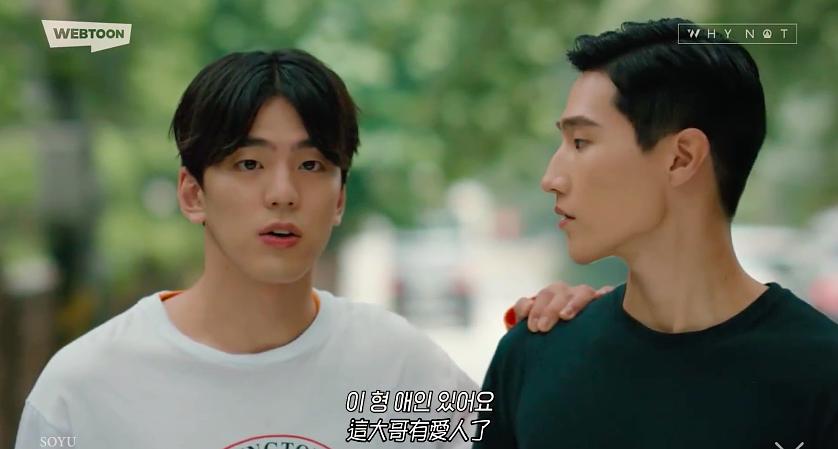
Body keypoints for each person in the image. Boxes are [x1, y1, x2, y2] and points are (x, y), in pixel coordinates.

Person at [14, 49, 600, 449]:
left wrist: (588, 333)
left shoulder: (392, 375)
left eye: (312, 165)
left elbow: (531, 431)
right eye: (249, 163)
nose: (283, 192)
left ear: (339, 197)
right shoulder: (89, 390)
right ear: (192, 193)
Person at [475, 18, 838, 449]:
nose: (551, 178)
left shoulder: (821, 374)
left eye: (581, 143)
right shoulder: (531, 358)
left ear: (681, 158)